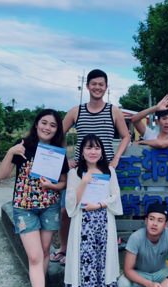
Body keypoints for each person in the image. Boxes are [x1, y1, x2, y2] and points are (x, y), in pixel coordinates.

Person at [0, 109, 68, 287]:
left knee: (46, 251)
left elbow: (63, 182)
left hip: (49, 208)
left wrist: (52, 186)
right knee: (35, 256)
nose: (47, 128)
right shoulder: (22, 146)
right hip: (24, 209)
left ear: (57, 130)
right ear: (36, 124)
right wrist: (11, 152)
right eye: (44, 123)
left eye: (53, 125)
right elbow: (2, 175)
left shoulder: (57, 152)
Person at [52, 69, 131, 263]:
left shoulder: (113, 110)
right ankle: (65, 248)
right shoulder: (76, 111)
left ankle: (98, 249)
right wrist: (64, 160)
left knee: (101, 209)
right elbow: (57, 134)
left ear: (106, 87)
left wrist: (116, 158)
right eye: (93, 84)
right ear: (87, 86)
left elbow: (126, 135)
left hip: (104, 170)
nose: (97, 87)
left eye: (101, 84)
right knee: (67, 210)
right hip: (79, 170)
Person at [63, 135, 122, 287]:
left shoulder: (109, 171)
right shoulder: (75, 174)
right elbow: (71, 201)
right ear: (82, 151)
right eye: (89, 148)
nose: (93, 152)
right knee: (83, 265)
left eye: (97, 148)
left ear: (102, 151)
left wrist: (100, 205)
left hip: (104, 223)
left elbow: (115, 195)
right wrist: (84, 182)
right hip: (82, 225)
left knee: (102, 264)